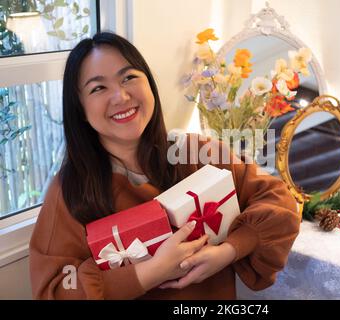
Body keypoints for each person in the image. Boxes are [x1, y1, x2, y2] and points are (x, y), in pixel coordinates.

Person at [29, 32, 301, 299]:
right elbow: (56, 289)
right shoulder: (70, 190)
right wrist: (150, 272)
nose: (121, 96)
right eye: (98, 88)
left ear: (149, 85)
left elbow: (279, 202)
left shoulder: (196, 153)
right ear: (80, 109)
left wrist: (228, 250)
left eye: (129, 77)